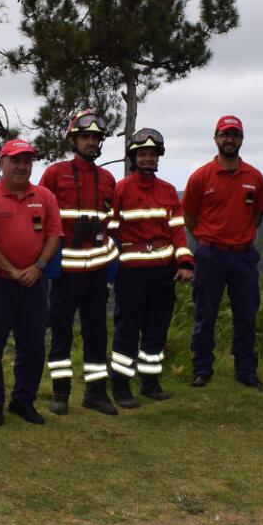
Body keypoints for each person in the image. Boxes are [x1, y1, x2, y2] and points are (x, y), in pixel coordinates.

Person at [0, 138, 62, 426]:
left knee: (33, 345)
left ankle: (23, 401)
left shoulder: (45, 196)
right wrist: (11, 270)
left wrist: (38, 267)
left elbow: (54, 235)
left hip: (35, 282)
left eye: (27, 161)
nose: (22, 167)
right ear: (2, 163)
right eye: (16, 161)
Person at [39, 109, 119, 416]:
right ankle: (60, 393)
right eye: (85, 136)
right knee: (61, 330)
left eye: (95, 138)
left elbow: (111, 223)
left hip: (97, 270)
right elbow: (43, 215)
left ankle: (96, 393)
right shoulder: (55, 174)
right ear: (74, 139)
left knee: (96, 331)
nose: (90, 142)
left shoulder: (108, 179)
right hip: (65, 271)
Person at [182, 115, 263, 391]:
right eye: (224, 134)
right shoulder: (201, 176)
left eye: (234, 135)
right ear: (216, 138)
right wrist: (211, 240)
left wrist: (238, 237)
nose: (229, 139)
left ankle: (246, 371)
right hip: (210, 255)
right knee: (205, 314)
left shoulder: (254, 176)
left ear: (241, 139)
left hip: (244, 256)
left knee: (246, 315)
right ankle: (202, 369)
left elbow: (258, 215)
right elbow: (190, 218)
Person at [108, 128, 194, 407]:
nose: (147, 159)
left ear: (158, 158)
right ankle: (121, 387)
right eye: (142, 154)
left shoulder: (169, 191)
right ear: (134, 158)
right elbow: (111, 229)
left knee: (157, 330)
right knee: (127, 330)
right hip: (131, 273)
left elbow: (178, 232)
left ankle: (150, 383)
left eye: (152, 154)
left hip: (163, 272)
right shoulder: (121, 189)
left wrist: (185, 262)